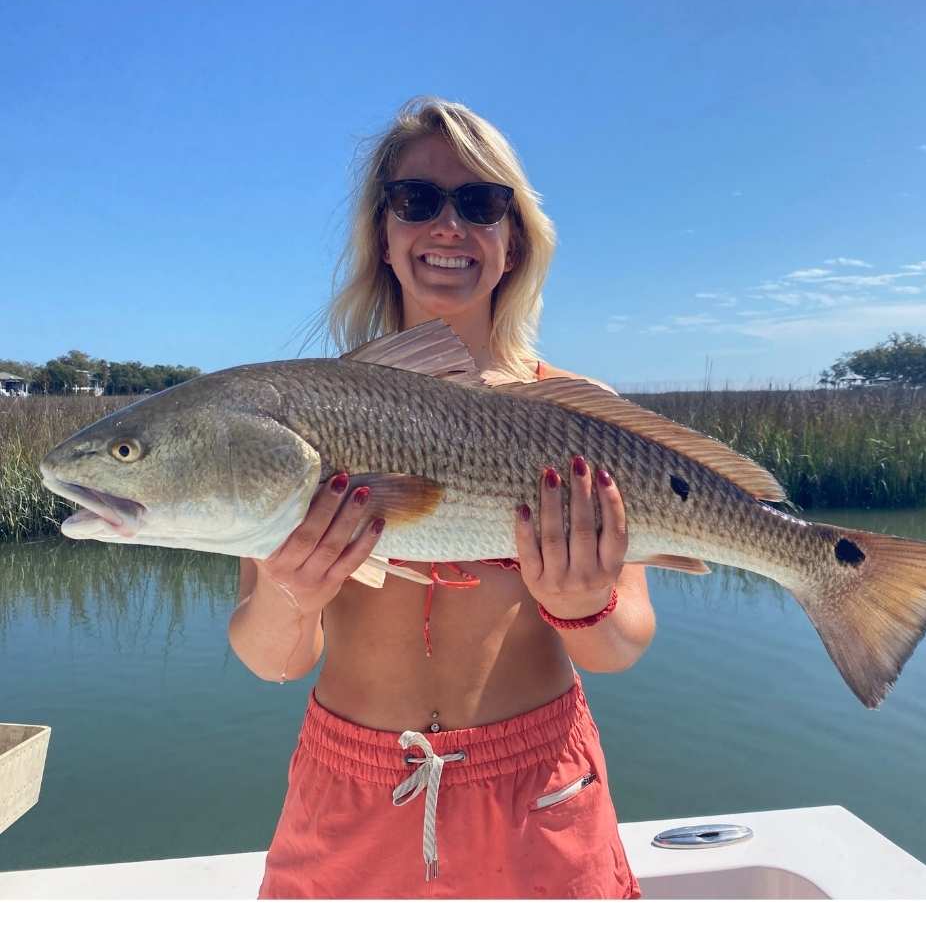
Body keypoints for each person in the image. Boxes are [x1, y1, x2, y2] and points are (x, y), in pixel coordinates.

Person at [228, 96, 656, 899]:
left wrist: (584, 604)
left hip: (540, 795)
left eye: (481, 202)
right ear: (383, 234)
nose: (448, 227)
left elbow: (623, 648)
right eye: (417, 201)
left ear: (514, 237)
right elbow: (270, 661)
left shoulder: (578, 412)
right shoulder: (304, 414)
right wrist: (292, 593)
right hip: (349, 796)